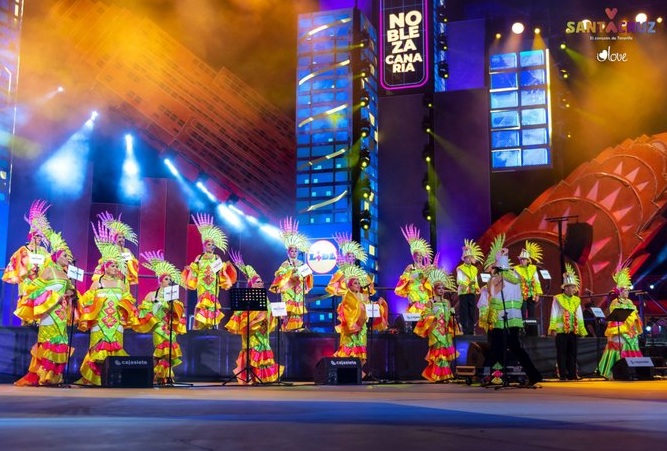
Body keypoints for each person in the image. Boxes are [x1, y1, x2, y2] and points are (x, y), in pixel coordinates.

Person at [76, 221, 155, 386]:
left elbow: (128, 300)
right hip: (101, 320)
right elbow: (87, 299)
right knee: (98, 346)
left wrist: (128, 311)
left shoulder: (121, 283)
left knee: (115, 345)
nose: (115, 268)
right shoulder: (98, 282)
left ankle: (113, 377)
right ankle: (95, 378)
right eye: (112, 265)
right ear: (105, 267)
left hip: (116, 320)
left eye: (116, 266)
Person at [14, 231, 77, 386]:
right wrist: (53, 296)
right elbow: (35, 289)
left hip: (61, 313)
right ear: (56, 257)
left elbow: (71, 291)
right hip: (49, 311)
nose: (68, 259)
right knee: (49, 341)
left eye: (68, 257)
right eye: (65, 256)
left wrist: (71, 293)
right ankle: (44, 375)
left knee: (61, 341)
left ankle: (56, 377)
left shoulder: (65, 275)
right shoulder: (48, 270)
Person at [477, 234, 542, 386]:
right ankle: (533, 374)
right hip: (515, 318)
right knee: (516, 347)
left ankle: (497, 376)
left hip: (500, 318)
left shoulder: (497, 280)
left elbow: (493, 299)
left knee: (497, 349)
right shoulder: (516, 277)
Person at [225, 250, 283, 385]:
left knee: (263, 348)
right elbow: (240, 314)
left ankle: (263, 377)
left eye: (261, 282)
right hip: (252, 331)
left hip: (262, 330)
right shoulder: (248, 297)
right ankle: (251, 377)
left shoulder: (265, 298)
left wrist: (272, 314)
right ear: (251, 284)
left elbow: (269, 310)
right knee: (252, 349)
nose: (261, 284)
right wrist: (253, 320)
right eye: (258, 282)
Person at [139, 250, 187, 385]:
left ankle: (166, 375)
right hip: (158, 326)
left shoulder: (173, 296)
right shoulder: (151, 295)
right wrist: (153, 309)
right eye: (166, 279)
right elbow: (143, 311)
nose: (169, 281)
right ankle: (155, 374)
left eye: (170, 279)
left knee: (170, 350)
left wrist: (171, 304)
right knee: (160, 350)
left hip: (169, 326)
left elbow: (178, 311)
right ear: (160, 281)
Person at [182, 213, 237, 330]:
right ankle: (200, 326)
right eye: (208, 244)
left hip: (213, 285)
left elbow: (221, 271)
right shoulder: (199, 257)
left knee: (212, 304)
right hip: (202, 284)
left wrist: (225, 268)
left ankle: (210, 325)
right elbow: (195, 270)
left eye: (212, 245)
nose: (210, 246)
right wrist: (190, 270)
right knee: (202, 303)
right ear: (204, 245)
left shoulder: (217, 258)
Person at [2, 200, 52, 316]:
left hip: (40, 284)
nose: (39, 240)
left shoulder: (43, 251)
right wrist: (29, 270)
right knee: (26, 313)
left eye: (41, 237)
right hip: (27, 284)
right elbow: (15, 266)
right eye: (37, 237)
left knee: (38, 312)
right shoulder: (23, 251)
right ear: (31, 236)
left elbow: (50, 264)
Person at [414, 267, 461, 382]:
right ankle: (436, 376)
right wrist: (432, 315)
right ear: (434, 289)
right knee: (438, 354)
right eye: (439, 288)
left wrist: (452, 315)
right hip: (435, 331)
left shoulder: (446, 302)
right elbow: (424, 316)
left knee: (445, 354)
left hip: (445, 331)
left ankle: (446, 375)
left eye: (442, 288)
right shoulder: (431, 302)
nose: (441, 290)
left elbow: (449, 318)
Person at [597, 267, 644, 379]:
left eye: (628, 290)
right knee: (618, 347)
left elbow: (635, 314)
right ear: (620, 291)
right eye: (625, 290)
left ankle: (634, 372)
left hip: (631, 330)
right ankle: (614, 371)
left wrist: (635, 320)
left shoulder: (630, 302)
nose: (627, 292)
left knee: (632, 346)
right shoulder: (615, 302)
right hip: (620, 329)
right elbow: (616, 316)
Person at [269, 217, 313, 332]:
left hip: (298, 290)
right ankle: (287, 329)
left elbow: (308, 276)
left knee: (298, 311)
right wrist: (289, 273)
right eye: (292, 251)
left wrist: (306, 275)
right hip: (289, 290)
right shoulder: (285, 264)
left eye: (295, 251)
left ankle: (298, 328)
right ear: (288, 252)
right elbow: (279, 276)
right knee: (289, 310)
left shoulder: (302, 263)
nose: (294, 253)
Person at [548, 264, 587, 381]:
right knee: (561, 353)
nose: (574, 289)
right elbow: (553, 313)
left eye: (574, 287)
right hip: (561, 330)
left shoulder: (577, 300)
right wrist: (553, 328)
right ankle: (563, 375)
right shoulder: (558, 298)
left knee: (572, 353)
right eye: (571, 287)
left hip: (573, 330)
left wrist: (581, 329)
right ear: (565, 288)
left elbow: (579, 315)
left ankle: (572, 374)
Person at [93, 211, 139, 287]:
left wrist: (130, 262)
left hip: (124, 278)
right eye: (119, 237)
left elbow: (133, 264)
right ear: (115, 239)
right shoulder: (110, 249)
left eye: (123, 237)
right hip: (112, 277)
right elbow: (104, 262)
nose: (122, 239)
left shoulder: (127, 251)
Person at [394, 224, 432, 315]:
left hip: (423, 291)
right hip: (413, 291)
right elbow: (403, 279)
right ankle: (414, 327)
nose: (419, 258)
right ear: (413, 256)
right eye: (417, 256)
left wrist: (427, 277)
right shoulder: (410, 267)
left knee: (424, 312)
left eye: (420, 256)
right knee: (415, 311)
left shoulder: (424, 268)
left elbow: (427, 281)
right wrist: (412, 276)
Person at [513, 241, 544, 336]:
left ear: (528, 260)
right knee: (521, 313)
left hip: (531, 294)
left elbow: (537, 281)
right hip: (521, 295)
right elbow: (514, 282)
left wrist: (538, 294)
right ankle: (522, 331)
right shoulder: (516, 269)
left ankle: (532, 332)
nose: (522, 261)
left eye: (524, 259)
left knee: (532, 313)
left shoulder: (533, 269)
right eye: (521, 259)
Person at [456, 239, 483, 335]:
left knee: (472, 311)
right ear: (464, 258)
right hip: (463, 292)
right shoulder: (460, 268)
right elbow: (459, 280)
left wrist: (477, 287)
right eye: (467, 257)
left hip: (472, 291)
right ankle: (465, 329)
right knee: (464, 311)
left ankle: (471, 330)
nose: (468, 259)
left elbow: (475, 280)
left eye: (470, 257)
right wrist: (468, 284)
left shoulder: (474, 268)